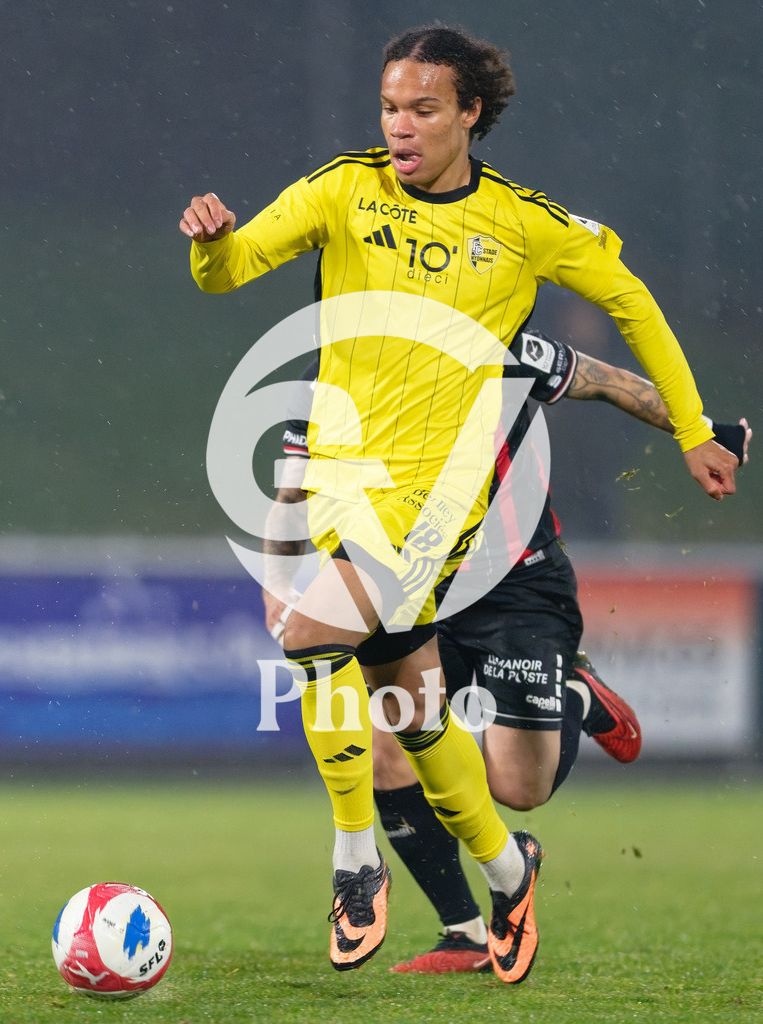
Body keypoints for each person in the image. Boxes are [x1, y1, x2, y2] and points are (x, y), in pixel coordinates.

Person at [181, 25, 739, 981]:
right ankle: (502, 878)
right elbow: (230, 272)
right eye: (391, 108)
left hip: (444, 511)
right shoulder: (343, 191)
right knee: (409, 709)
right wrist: (213, 243)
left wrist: (692, 428)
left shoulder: (522, 225)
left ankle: (355, 862)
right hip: (348, 494)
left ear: (470, 115)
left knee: (314, 639)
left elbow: (633, 307)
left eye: (423, 109)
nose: (400, 126)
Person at [262, 337, 750, 973]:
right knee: (388, 745)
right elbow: (292, 496)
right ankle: (462, 932)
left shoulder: (492, 343)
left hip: (518, 587)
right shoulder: (324, 375)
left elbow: (607, 383)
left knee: (518, 788)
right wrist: (276, 587)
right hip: (415, 579)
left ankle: (574, 691)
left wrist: (700, 430)